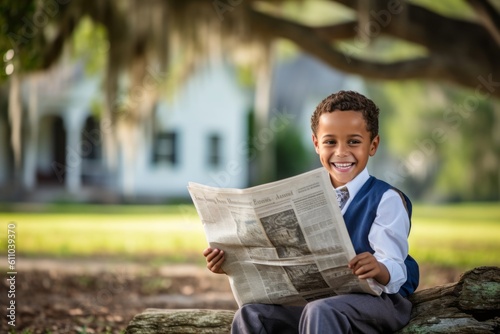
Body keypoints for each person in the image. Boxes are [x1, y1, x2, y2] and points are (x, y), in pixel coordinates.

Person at [203, 90, 419, 333]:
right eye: (330, 142)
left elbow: (397, 268)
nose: (341, 152)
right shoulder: (305, 194)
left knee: (321, 310)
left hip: (378, 302)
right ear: (316, 144)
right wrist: (230, 262)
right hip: (315, 302)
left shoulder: (386, 199)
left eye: (354, 141)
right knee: (251, 315)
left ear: (373, 145)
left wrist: (380, 269)